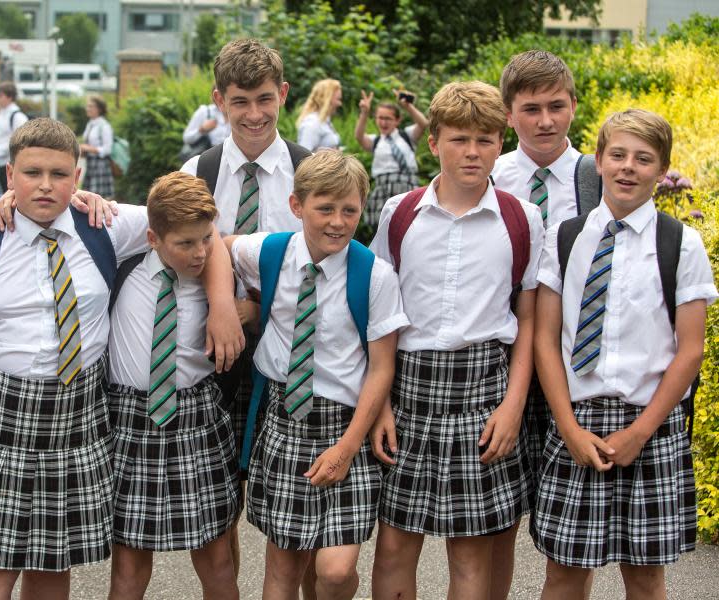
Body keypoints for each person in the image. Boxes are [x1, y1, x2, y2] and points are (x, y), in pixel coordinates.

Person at [0, 117, 240, 600]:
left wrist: (222, 305)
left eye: (59, 174)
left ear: (78, 177)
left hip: (76, 428)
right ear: (10, 175)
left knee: (53, 576)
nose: (46, 186)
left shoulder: (107, 226)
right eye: (32, 173)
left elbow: (201, 229)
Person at [368, 81, 544, 600]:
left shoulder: (522, 219)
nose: (472, 152)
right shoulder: (400, 213)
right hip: (407, 392)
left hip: (484, 391)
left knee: (471, 551)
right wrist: (378, 406)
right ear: (434, 141)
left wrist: (513, 405)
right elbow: (378, 317)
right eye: (459, 139)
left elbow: (529, 320)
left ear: (501, 143)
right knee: (396, 544)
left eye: (486, 140)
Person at [532, 109, 715, 600]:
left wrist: (639, 432)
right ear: (598, 160)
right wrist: (567, 427)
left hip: (650, 425)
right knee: (565, 572)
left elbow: (689, 351)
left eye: (643, 159)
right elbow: (546, 340)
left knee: (645, 576)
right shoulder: (565, 237)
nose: (628, 167)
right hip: (578, 419)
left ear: (661, 169)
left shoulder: (681, 243)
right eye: (617, 155)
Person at [225, 149, 405, 600]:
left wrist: (347, 448)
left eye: (350, 210)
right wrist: (225, 310)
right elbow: (213, 244)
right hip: (284, 421)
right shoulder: (269, 251)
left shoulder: (375, 276)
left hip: (347, 425)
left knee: (338, 570)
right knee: (283, 568)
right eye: (325, 208)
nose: (338, 222)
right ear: (297, 205)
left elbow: (383, 366)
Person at [179, 37, 311, 580]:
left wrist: (251, 308)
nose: (253, 114)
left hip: (295, 352)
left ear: (282, 94)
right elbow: (166, 245)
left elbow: (325, 265)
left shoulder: (311, 171)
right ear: (219, 101)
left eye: (264, 98)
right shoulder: (197, 172)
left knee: (300, 510)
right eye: (240, 101)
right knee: (219, 507)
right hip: (218, 355)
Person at [107, 172, 240, 600]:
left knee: (217, 557)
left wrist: (240, 310)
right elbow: (61, 206)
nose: (200, 253)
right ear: (153, 237)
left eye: (206, 239)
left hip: (198, 416)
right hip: (129, 419)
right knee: (128, 563)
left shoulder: (217, 276)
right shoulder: (121, 266)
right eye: (185, 243)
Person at [488, 49, 583, 600]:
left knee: (574, 527)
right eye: (530, 109)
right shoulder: (487, 176)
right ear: (508, 114)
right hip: (505, 361)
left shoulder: (597, 174)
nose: (545, 121)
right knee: (500, 515)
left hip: (576, 357)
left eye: (556, 106)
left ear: (573, 104)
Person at [354, 90, 427, 227]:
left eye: (388, 118)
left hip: (407, 185)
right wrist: (364, 112)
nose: (383, 122)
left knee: (410, 225)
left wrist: (407, 106)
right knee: (384, 226)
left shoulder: (407, 136)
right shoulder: (375, 141)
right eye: (380, 118)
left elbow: (423, 124)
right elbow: (359, 136)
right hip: (384, 189)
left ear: (397, 120)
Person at [0, 82, 29, 178]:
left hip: (8, 165)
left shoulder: (18, 117)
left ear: (9, 97)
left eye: (0, 96)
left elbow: (20, 141)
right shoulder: (1, 114)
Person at [81, 94, 115, 198]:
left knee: (98, 197)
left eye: (91, 106)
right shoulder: (90, 124)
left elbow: (108, 149)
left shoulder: (104, 126)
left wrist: (88, 148)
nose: (88, 109)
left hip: (100, 166)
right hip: (91, 163)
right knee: (88, 197)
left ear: (99, 109)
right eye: (88, 106)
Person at [296, 79, 343, 151]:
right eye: (338, 99)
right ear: (327, 99)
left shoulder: (324, 121)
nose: (340, 104)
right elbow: (304, 157)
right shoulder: (312, 123)